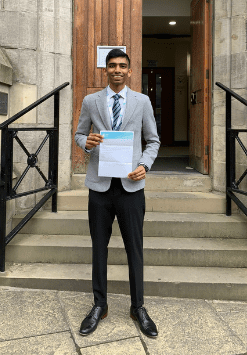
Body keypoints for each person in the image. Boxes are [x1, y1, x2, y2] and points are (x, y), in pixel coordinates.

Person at [73, 49, 160, 338]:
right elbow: (78, 135)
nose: (117, 70)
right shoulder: (91, 101)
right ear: (105, 70)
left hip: (131, 187)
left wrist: (144, 165)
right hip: (99, 187)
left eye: (123, 66)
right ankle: (100, 304)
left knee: (134, 248)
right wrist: (88, 142)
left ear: (130, 71)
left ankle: (138, 307)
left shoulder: (142, 101)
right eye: (112, 66)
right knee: (99, 247)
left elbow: (153, 140)